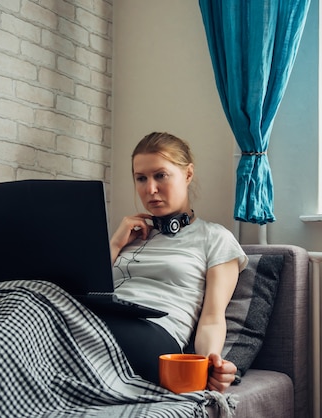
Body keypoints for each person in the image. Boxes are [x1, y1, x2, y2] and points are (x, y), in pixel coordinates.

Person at [101, 131, 248, 392]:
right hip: (101, 322)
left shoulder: (215, 237)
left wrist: (209, 362)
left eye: (161, 175)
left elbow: (212, 318)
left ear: (188, 174)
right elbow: (88, 290)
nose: (150, 189)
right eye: (141, 178)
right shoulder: (130, 235)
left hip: (154, 335)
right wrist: (114, 243)